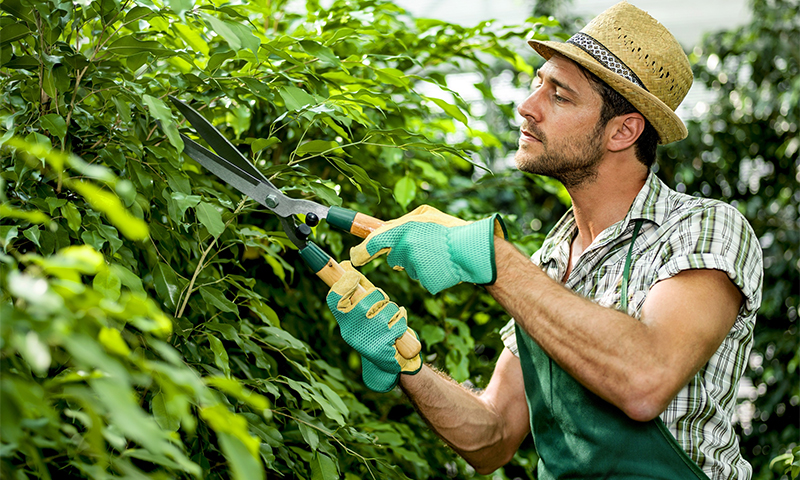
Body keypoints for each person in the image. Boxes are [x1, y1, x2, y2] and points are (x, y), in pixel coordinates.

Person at [325, 2, 763, 479]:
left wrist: (495, 258)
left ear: (623, 130)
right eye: (538, 83)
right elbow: (492, 436)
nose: (527, 106)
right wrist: (405, 362)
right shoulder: (551, 259)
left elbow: (646, 379)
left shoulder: (703, 229)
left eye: (560, 96)